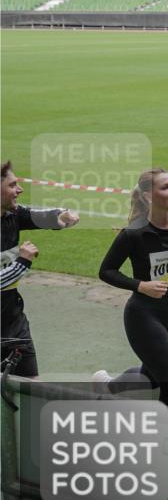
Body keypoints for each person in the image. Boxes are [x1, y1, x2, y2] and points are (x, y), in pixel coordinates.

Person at [93, 168, 168, 408]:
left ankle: (108, 386)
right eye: (165, 187)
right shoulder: (134, 233)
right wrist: (141, 285)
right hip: (143, 315)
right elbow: (106, 271)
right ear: (148, 196)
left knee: (153, 378)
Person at [1, 160, 80, 378]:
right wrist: (21, 263)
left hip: (13, 322)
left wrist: (61, 215)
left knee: (31, 385)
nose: (19, 189)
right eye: (12, 185)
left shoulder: (12, 215)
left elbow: (37, 215)